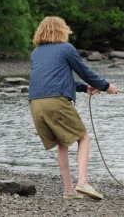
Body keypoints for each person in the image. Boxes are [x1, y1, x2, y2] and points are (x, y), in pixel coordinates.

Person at [28, 16, 118, 201]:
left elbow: (51, 79)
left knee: (62, 143)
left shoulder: (36, 53)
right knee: (83, 138)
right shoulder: (66, 48)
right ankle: (83, 182)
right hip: (55, 101)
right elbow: (85, 72)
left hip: (35, 103)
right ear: (62, 30)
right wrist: (106, 86)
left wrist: (84, 88)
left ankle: (69, 190)